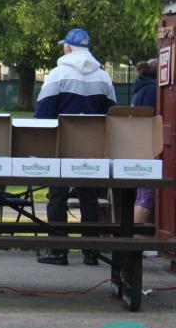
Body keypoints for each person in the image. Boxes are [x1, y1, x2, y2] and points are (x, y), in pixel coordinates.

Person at [35, 28, 116, 266]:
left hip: (61, 145)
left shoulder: (58, 74)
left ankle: (58, 251)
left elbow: (43, 113)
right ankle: (91, 252)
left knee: (57, 196)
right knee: (89, 198)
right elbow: (112, 114)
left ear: (69, 48)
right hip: (92, 148)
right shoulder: (103, 77)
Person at [130, 59, 158, 257]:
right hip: (149, 147)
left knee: (142, 195)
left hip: (138, 146)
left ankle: (136, 240)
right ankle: (138, 242)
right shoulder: (153, 90)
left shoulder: (140, 89)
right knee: (146, 195)